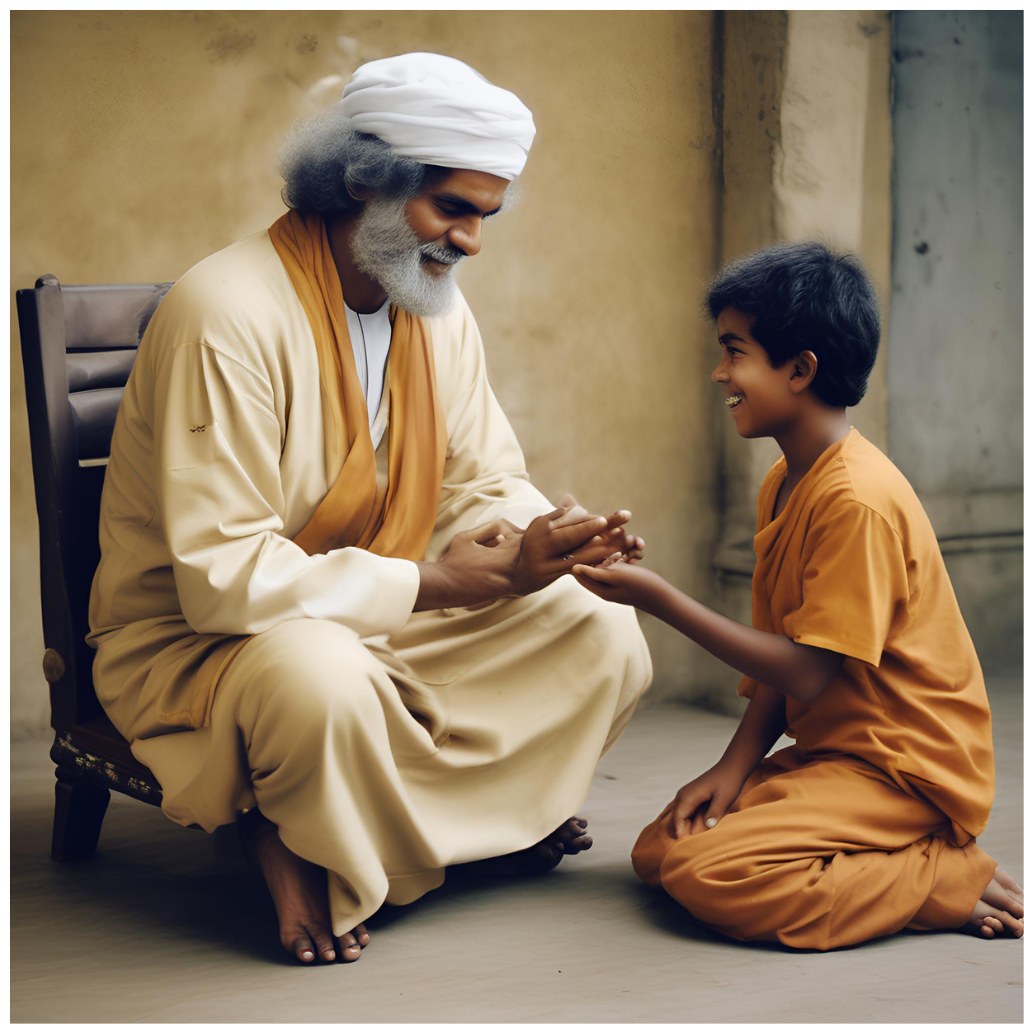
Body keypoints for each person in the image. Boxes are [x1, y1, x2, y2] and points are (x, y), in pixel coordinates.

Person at [88, 53, 652, 965]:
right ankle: (311, 840)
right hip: (202, 641)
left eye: (485, 217)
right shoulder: (225, 311)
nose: (469, 241)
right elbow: (223, 584)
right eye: (453, 210)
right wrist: (433, 581)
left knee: (599, 630)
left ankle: (371, 839)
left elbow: (480, 479)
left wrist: (537, 542)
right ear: (363, 181)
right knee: (323, 684)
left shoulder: (433, 308)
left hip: (368, 610)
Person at [574, 241, 1023, 950]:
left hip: (905, 771)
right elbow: (783, 659)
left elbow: (811, 669)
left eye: (735, 351)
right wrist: (734, 766)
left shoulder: (857, 501)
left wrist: (656, 598)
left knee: (709, 872)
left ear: (800, 368)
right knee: (664, 849)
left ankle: (938, 880)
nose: (720, 373)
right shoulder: (784, 483)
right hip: (836, 755)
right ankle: (887, 863)